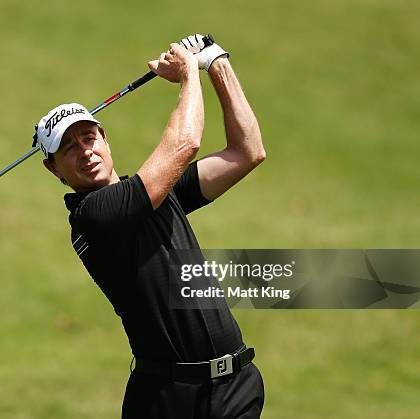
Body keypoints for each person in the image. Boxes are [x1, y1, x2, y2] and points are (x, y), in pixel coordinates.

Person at [34, 34, 266, 418]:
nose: (85, 151)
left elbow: (247, 152)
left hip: (236, 389)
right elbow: (185, 143)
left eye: (89, 137)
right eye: (69, 148)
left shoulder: (152, 193)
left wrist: (217, 64)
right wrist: (190, 74)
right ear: (52, 167)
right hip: (169, 401)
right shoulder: (94, 216)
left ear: (104, 139)